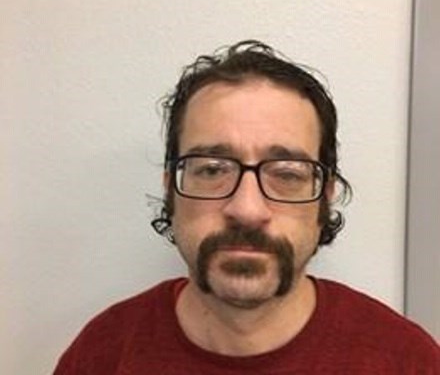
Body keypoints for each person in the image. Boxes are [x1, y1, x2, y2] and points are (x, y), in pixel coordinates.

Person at [53, 40, 439, 374]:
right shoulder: (102, 356)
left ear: (325, 195)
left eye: (286, 174)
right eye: (212, 170)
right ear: (171, 189)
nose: (247, 209)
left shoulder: (409, 362)